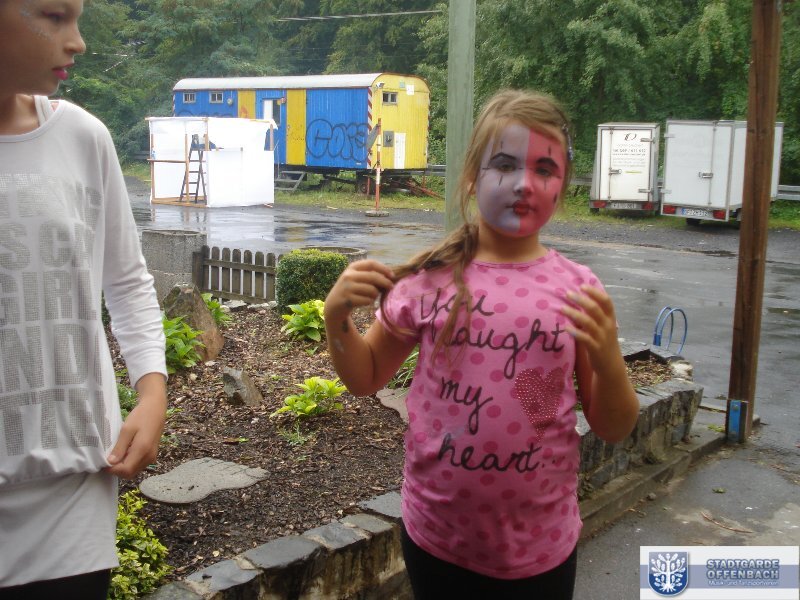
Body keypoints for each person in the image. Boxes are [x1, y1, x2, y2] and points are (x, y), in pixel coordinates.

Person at [324, 89, 639, 599]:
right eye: (505, 164)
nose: (524, 183)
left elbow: (614, 425)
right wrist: (336, 319)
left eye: (544, 169)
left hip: (541, 550)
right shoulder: (431, 280)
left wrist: (608, 361)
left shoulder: (578, 290)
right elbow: (365, 378)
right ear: (472, 176)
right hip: (437, 543)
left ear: (563, 184)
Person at [0, 1, 168, 598]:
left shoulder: (82, 137)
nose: (78, 42)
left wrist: (152, 393)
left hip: (71, 495)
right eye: (53, 16)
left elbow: (126, 280)